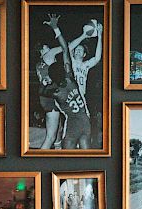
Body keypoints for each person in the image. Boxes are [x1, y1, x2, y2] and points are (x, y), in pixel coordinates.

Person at [35, 21, 95, 150]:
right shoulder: (68, 78)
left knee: (56, 133)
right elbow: (66, 48)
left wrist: (45, 84)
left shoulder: (39, 65)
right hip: (78, 116)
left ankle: (56, 147)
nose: (49, 49)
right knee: (51, 137)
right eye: (47, 47)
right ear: (42, 50)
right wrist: (83, 35)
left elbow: (42, 90)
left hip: (47, 95)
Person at [71, 21, 103, 112]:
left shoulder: (85, 65)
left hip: (81, 95)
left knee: (85, 120)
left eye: (80, 50)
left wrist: (100, 36)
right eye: (77, 49)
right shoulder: (71, 61)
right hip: (70, 94)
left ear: (84, 54)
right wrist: (84, 36)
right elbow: (69, 48)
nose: (78, 51)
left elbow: (97, 58)